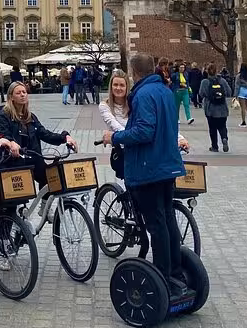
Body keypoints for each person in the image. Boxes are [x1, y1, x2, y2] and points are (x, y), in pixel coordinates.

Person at [101, 53, 187, 298]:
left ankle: (162, 277)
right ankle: (175, 271)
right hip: (168, 166)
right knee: (167, 218)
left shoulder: (143, 94)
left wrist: (114, 137)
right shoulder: (165, 92)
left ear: (134, 72)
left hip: (149, 168)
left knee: (157, 224)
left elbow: (144, 131)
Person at [99, 69, 189, 179]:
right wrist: (119, 137)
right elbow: (116, 126)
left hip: (141, 150)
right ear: (111, 87)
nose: (118, 88)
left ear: (127, 86)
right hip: (123, 151)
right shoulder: (105, 106)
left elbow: (159, 123)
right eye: (115, 85)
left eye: (122, 85)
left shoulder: (134, 101)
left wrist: (179, 138)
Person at [0, 81, 78, 187]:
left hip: (32, 159)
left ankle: (44, 204)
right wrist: (11, 142)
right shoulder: (4, 115)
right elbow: (3, 133)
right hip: (12, 161)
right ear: (11, 97)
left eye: (24, 92)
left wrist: (65, 137)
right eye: (18, 93)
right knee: (15, 195)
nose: (22, 95)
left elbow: (44, 134)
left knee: (51, 180)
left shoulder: (30, 117)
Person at [199, 63, 232, 152]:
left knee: (212, 128)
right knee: (222, 126)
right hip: (222, 108)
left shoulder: (205, 82)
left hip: (210, 109)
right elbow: (229, 92)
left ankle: (214, 146)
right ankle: (224, 138)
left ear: (207, 72)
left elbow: (201, 94)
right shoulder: (222, 81)